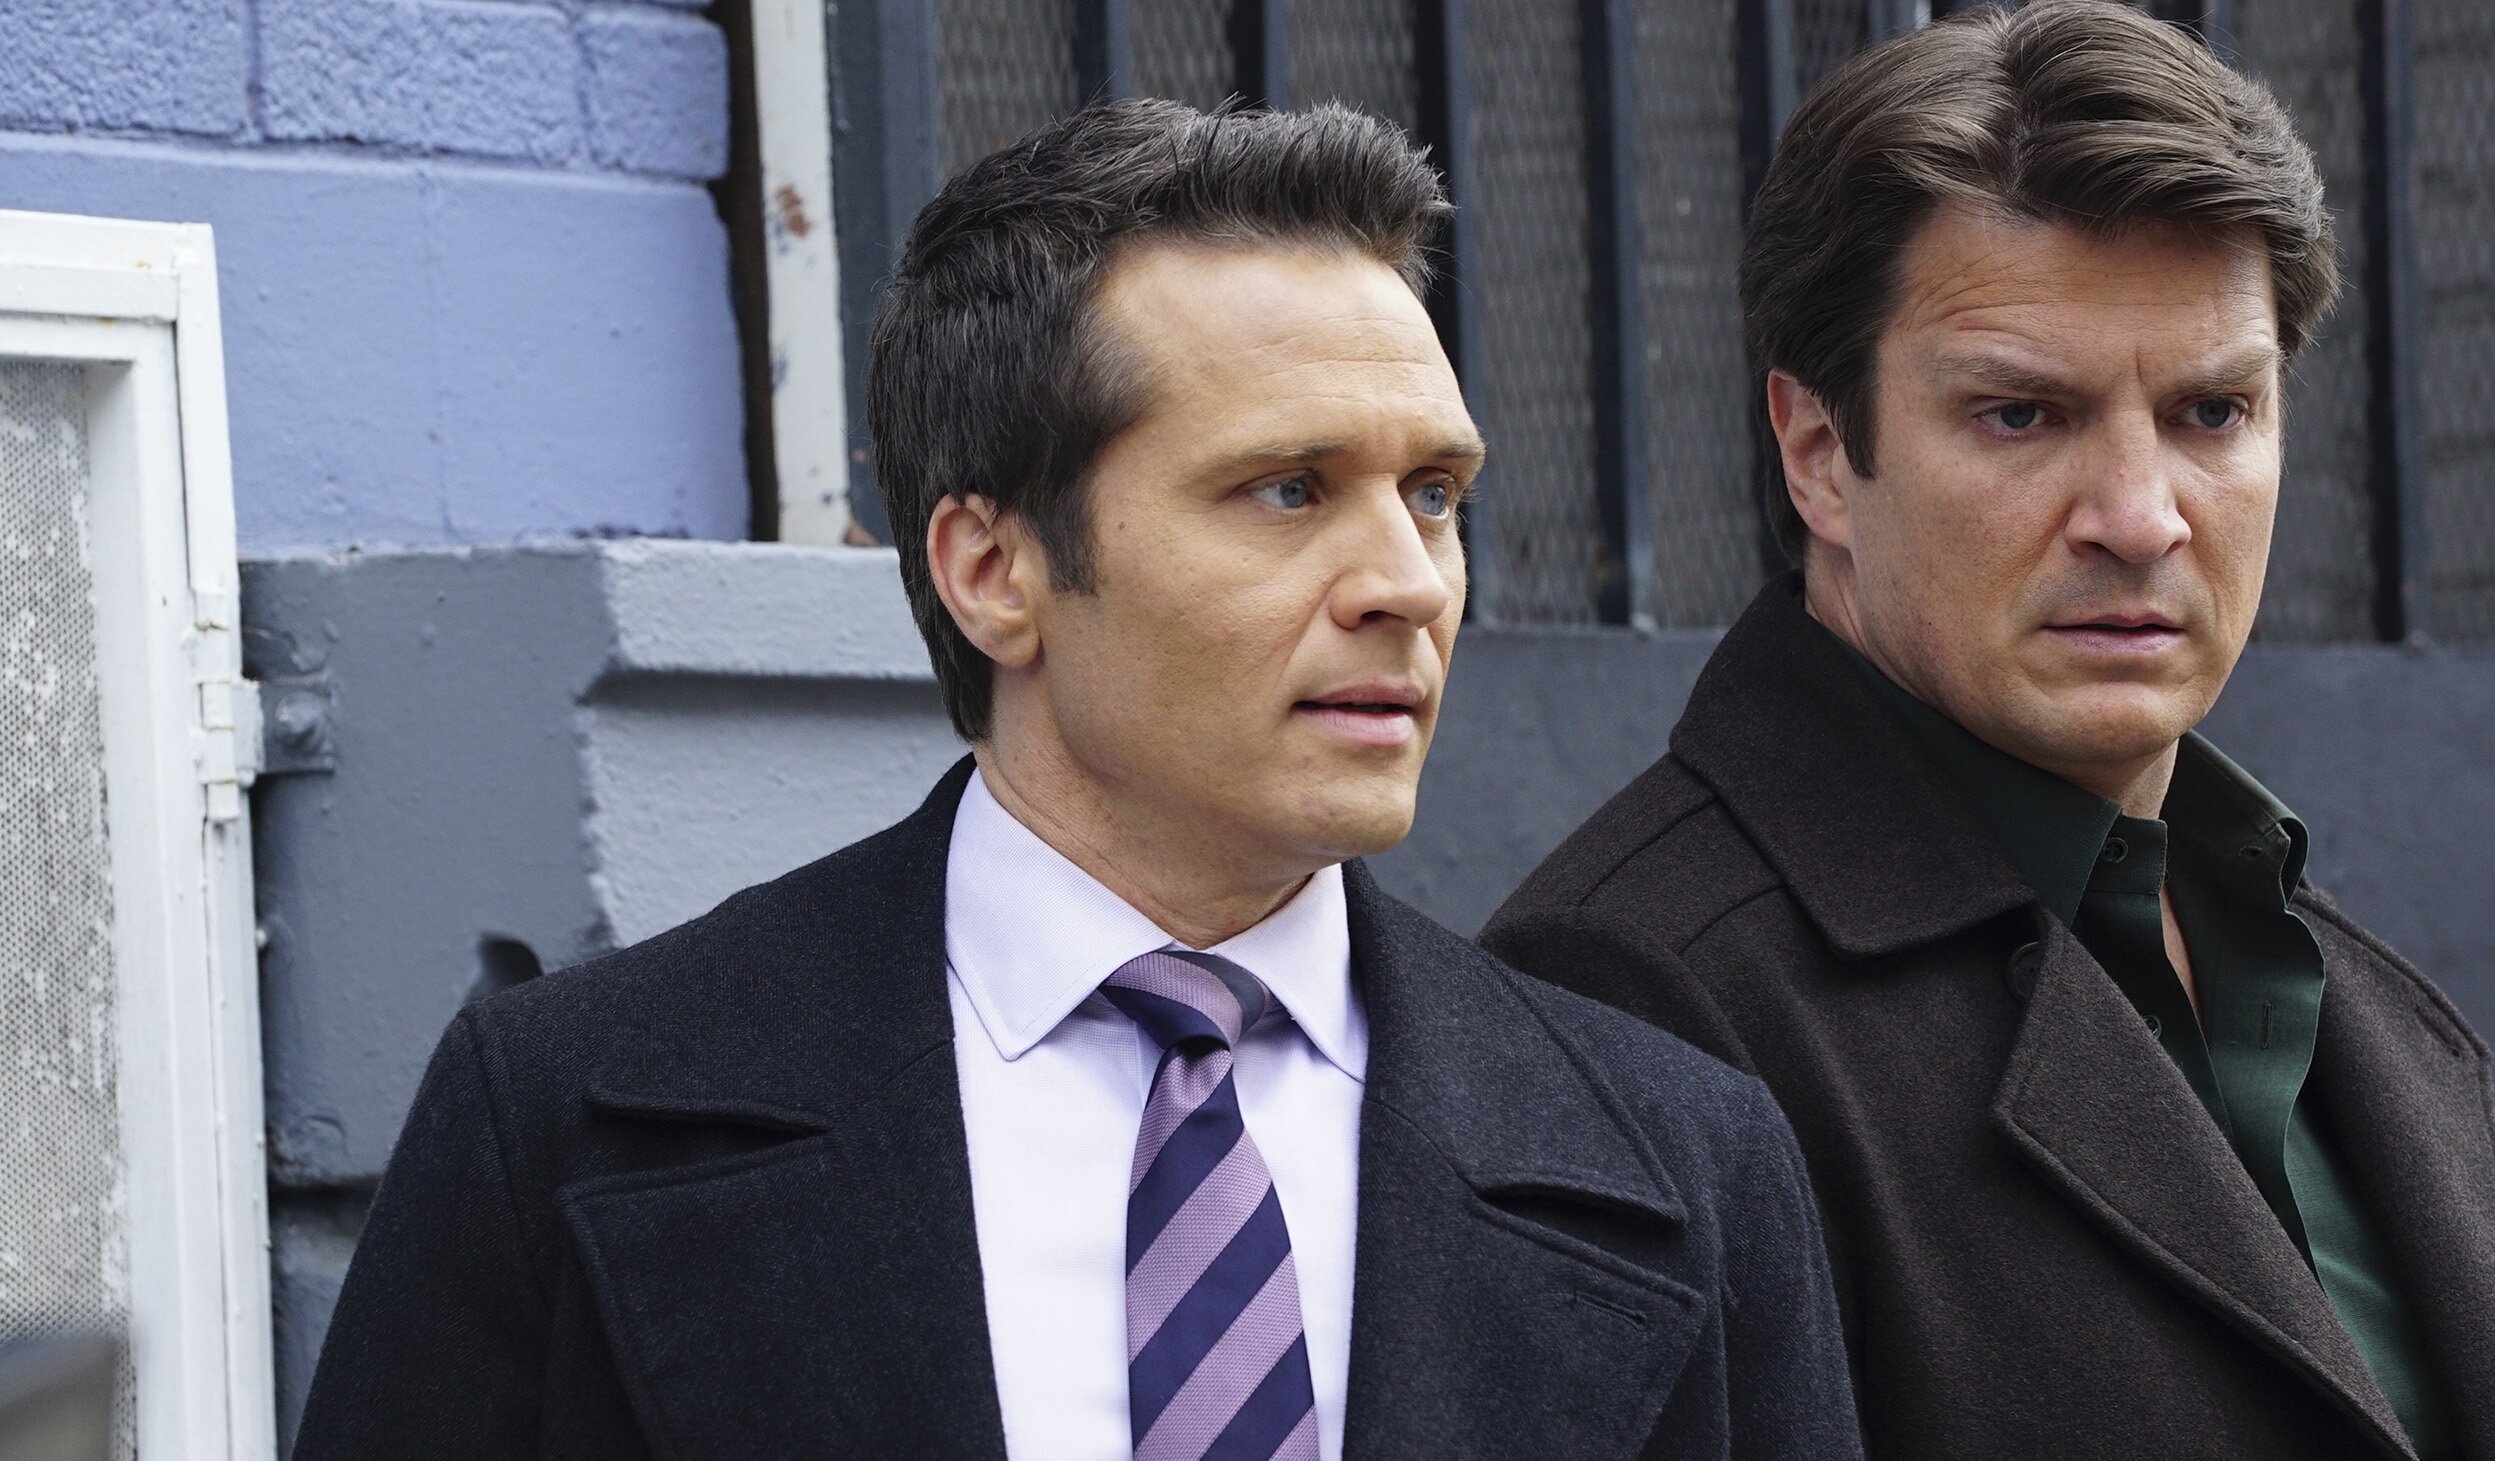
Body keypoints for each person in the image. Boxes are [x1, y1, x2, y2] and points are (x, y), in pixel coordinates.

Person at [289, 100, 1861, 1460]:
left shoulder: (1685, 1155)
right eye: (1287, 488)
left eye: (1435, 493)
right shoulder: (562, 1113)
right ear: (992, 569)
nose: (1408, 581)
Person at [1482, 6, 2495, 1460]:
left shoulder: (2317, 970)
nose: (2140, 516)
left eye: (2211, 411)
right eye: (2020, 415)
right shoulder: (1631, 998)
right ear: (1818, 452)